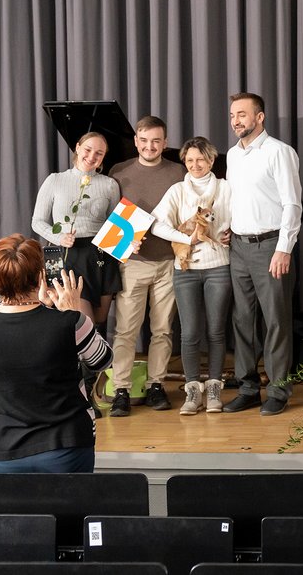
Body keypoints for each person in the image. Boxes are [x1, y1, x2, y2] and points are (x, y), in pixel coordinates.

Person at [0, 234, 112, 473]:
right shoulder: (70, 323)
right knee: (72, 511)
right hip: (66, 445)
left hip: (6, 449)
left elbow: (21, 346)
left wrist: (46, 309)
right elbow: (102, 360)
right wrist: (74, 313)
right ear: (40, 276)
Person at [223, 92, 303, 416]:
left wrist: (284, 249)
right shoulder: (231, 155)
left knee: (276, 322)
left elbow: (292, 204)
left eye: (242, 114)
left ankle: (278, 390)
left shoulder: (279, 152)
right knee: (242, 320)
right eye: (232, 115)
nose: (236, 121)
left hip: (271, 246)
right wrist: (229, 226)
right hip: (238, 247)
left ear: (260, 117)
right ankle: (247, 387)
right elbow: (236, 199)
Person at [31, 131, 121, 417]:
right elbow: (38, 221)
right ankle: (83, 398)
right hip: (67, 257)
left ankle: (96, 388)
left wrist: (129, 239)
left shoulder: (109, 184)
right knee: (83, 326)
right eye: (89, 149)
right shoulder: (55, 180)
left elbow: (115, 226)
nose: (92, 156)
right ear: (77, 148)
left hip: (100, 257)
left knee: (101, 325)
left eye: (100, 154)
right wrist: (58, 238)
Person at [107, 116, 185, 417]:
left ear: (164, 143)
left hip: (168, 263)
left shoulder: (178, 172)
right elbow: (110, 219)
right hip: (134, 263)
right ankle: (121, 391)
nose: (149, 146)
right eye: (144, 140)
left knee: (163, 330)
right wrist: (125, 244)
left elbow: (186, 213)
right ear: (136, 141)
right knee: (125, 330)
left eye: (156, 140)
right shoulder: (119, 172)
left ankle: (156, 385)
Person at [150, 137, 233, 415]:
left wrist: (231, 232)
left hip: (218, 267)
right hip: (184, 271)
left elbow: (238, 218)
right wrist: (185, 240)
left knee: (216, 331)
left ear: (211, 161)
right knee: (190, 333)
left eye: (200, 159)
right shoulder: (177, 190)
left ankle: (213, 390)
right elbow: (156, 223)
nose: (195, 165)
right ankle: (192, 391)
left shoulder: (224, 188)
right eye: (189, 160)